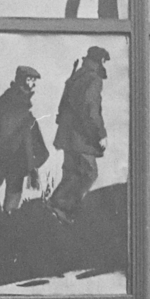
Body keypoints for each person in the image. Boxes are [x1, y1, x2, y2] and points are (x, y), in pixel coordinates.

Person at [0, 65, 49, 214]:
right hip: (10, 153)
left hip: (12, 154)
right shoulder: (15, 99)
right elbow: (9, 120)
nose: (33, 84)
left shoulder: (18, 97)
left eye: (34, 80)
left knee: (4, 182)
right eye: (30, 79)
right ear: (22, 80)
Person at [49, 45, 109, 222]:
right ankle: (62, 208)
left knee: (71, 173)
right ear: (100, 61)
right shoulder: (93, 79)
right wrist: (101, 135)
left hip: (68, 137)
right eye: (104, 61)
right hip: (81, 138)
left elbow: (63, 106)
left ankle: (58, 209)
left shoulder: (77, 75)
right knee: (89, 174)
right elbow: (91, 110)